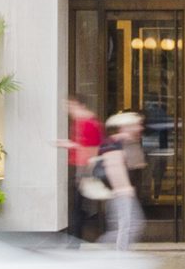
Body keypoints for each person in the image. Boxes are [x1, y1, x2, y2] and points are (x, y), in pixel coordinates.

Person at [98, 111, 146, 250]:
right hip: (121, 193)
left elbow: (136, 164)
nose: (140, 128)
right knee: (127, 228)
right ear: (126, 126)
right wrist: (124, 189)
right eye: (136, 125)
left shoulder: (127, 142)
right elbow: (114, 168)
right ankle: (112, 255)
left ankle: (112, 254)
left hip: (124, 193)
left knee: (132, 226)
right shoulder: (113, 143)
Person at [61, 97, 104, 242]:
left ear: (81, 105)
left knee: (77, 209)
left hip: (84, 170)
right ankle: (75, 240)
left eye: (71, 105)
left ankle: (75, 242)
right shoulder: (79, 122)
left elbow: (92, 150)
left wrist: (85, 174)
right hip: (80, 169)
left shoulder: (89, 123)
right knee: (77, 208)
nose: (68, 109)